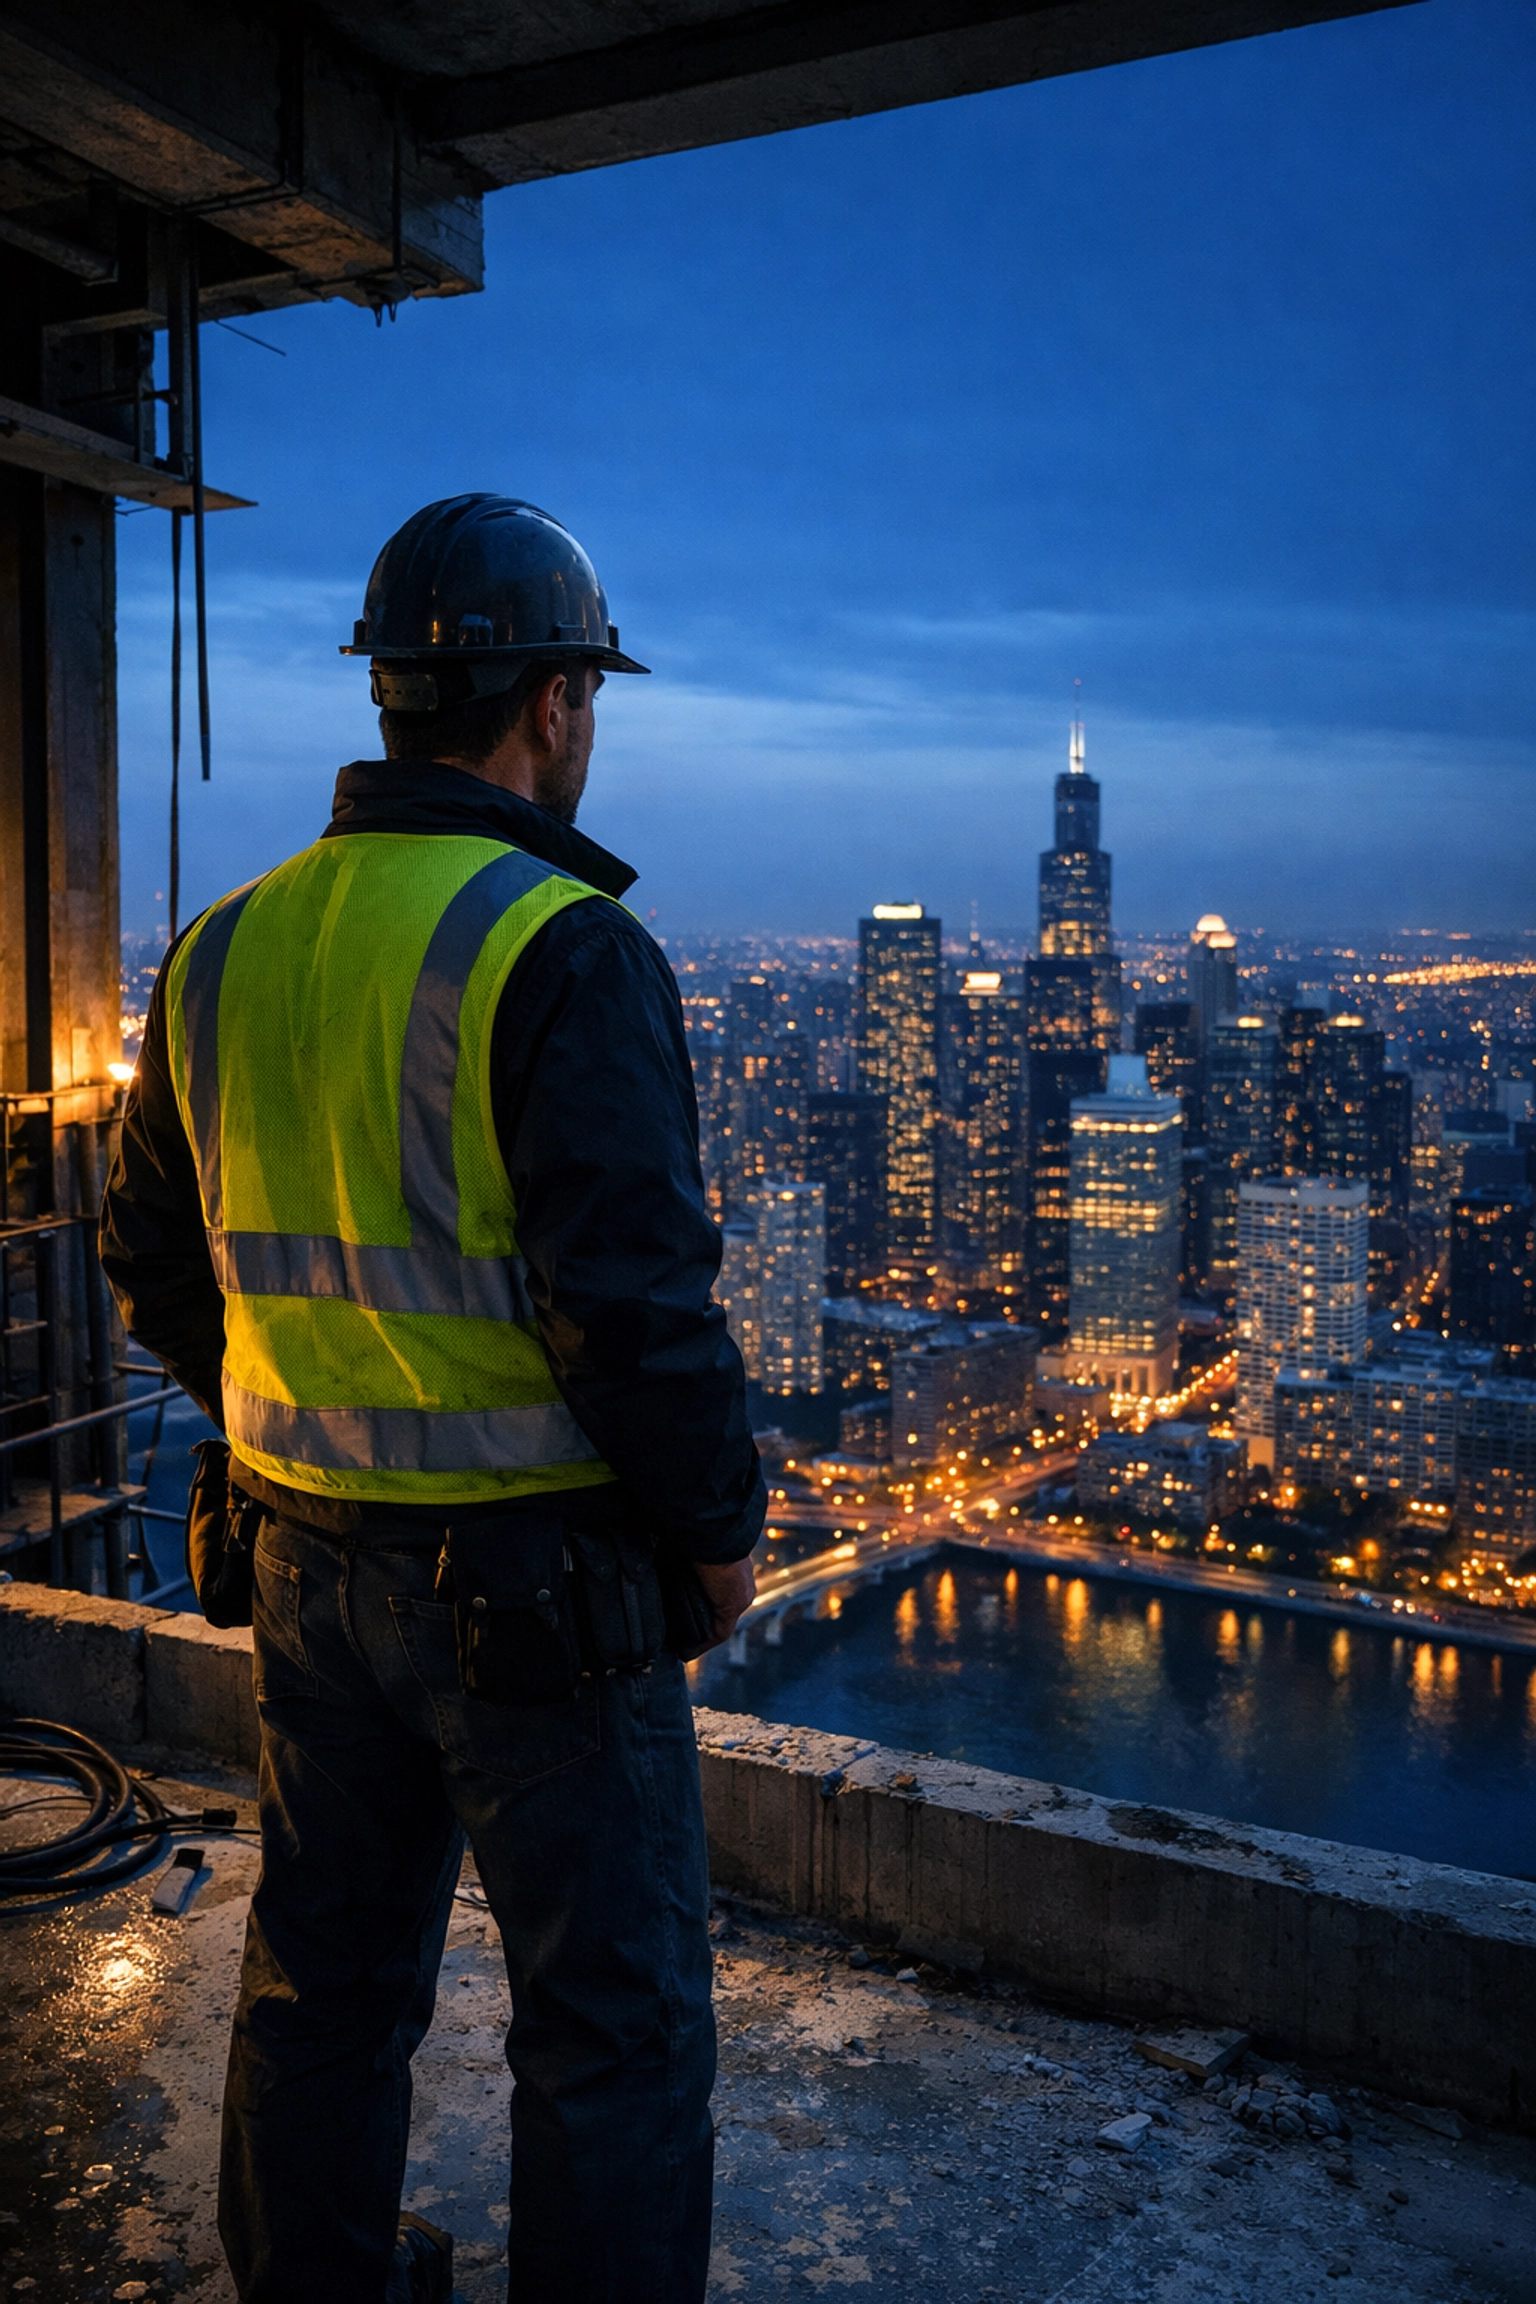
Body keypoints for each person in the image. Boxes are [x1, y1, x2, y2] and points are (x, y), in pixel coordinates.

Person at [100, 494, 764, 2304]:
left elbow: (148, 1251)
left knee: (321, 1982)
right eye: (587, 699)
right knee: (611, 2033)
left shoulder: (223, 948)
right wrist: (716, 1541)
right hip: (543, 1597)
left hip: (303, 1559)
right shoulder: (560, 947)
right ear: (553, 702)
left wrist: (278, 1405)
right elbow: (634, 1310)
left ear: (391, 695)